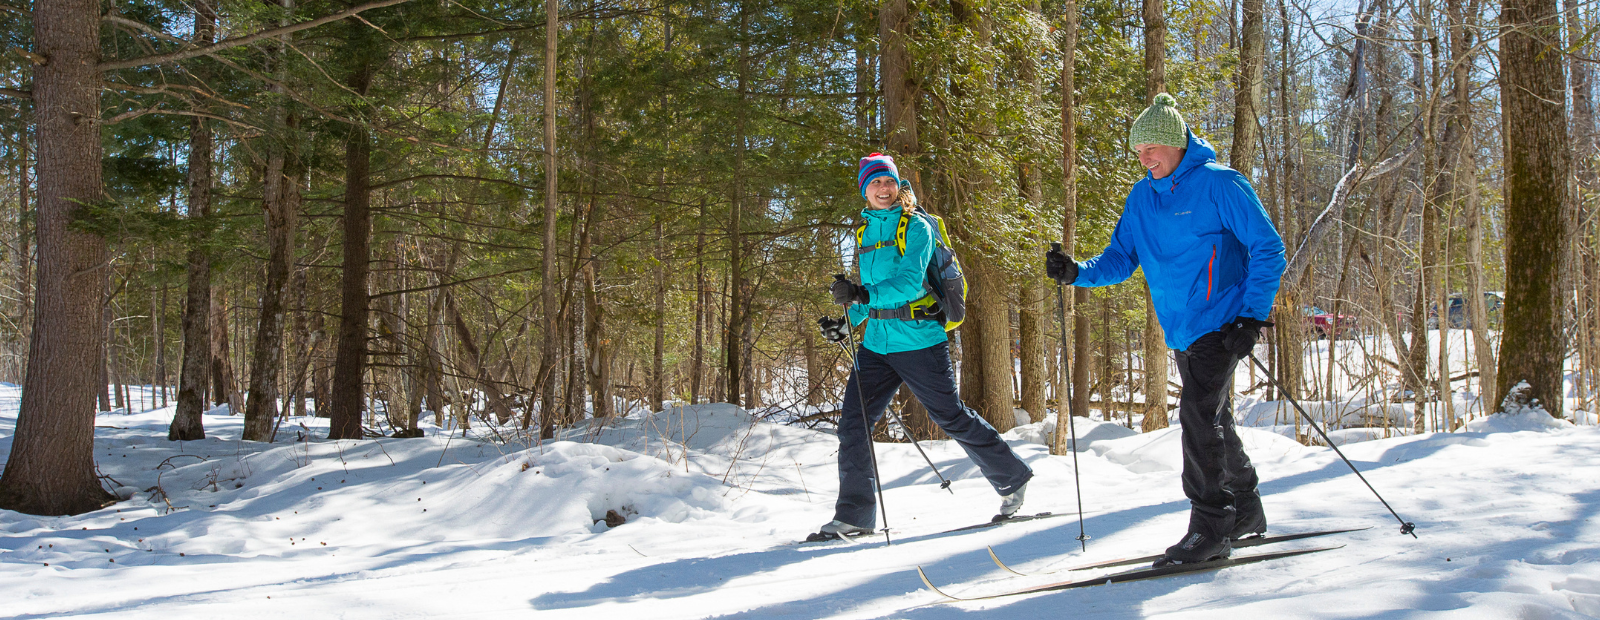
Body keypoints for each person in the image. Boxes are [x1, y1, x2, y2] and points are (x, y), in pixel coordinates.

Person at [1045, 94, 1286, 566]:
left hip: (1223, 321)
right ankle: (1246, 511)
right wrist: (1076, 272)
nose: (1144, 157)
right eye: (1139, 150)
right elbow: (1120, 258)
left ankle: (1211, 527)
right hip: (1181, 328)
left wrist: (1252, 316)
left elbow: (1268, 247)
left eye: (1152, 147)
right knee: (1213, 419)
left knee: (1198, 418)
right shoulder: (1142, 198)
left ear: (1177, 144)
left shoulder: (1220, 185)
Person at [812, 153, 1033, 539]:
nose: (884, 189)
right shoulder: (864, 233)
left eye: (889, 182)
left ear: (898, 186)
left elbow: (911, 282)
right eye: (875, 183)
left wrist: (861, 291)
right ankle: (854, 516)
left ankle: (1012, 477)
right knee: (853, 425)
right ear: (865, 189)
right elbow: (870, 299)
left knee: (950, 416)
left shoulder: (916, 228)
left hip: (918, 340)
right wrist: (847, 326)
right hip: (877, 346)